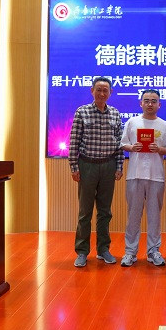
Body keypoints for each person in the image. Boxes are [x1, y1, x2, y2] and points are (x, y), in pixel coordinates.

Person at [68, 77, 124, 268]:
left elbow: (119, 144)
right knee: (85, 212)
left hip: (108, 166)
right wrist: (74, 167)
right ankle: (82, 252)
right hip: (87, 166)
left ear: (110, 92)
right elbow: (74, 141)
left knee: (105, 212)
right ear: (92, 90)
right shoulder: (82, 111)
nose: (102, 93)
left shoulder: (115, 113)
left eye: (105, 90)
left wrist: (119, 166)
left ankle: (103, 249)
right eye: (98, 89)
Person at [119, 89, 166, 267]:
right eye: (147, 100)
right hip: (134, 175)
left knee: (154, 216)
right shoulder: (132, 122)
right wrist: (131, 147)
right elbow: (123, 144)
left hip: (156, 176)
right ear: (140, 103)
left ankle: (153, 251)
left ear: (159, 104)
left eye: (154, 101)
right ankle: (130, 252)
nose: (150, 104)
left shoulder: (165, 125)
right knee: (133, 216)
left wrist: (159, 149)